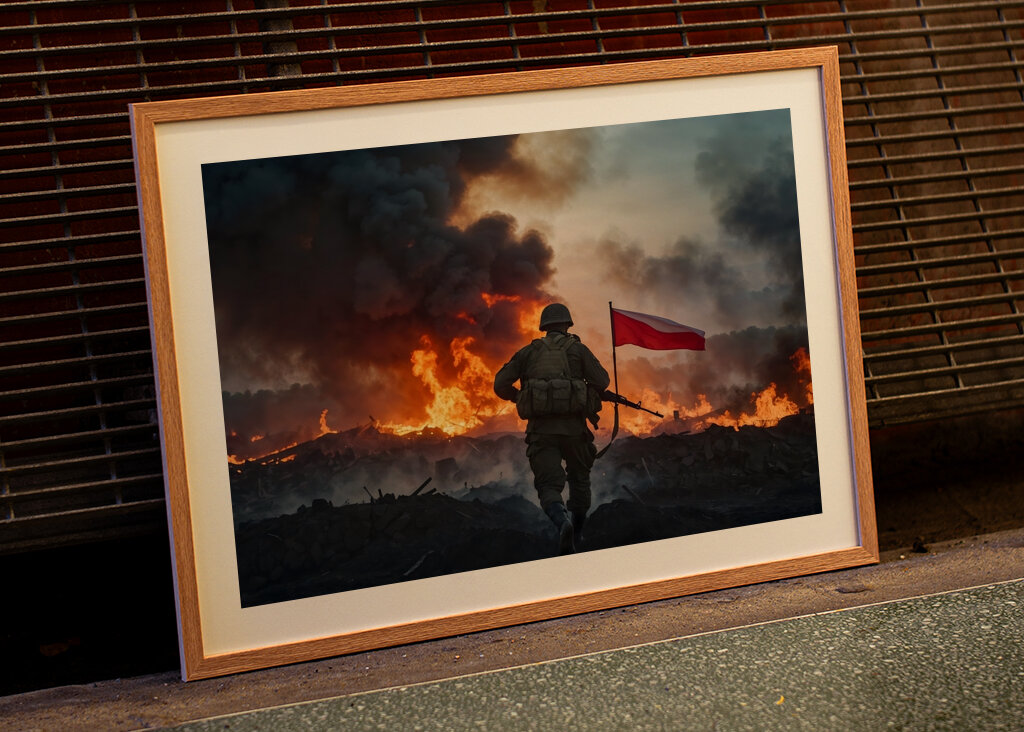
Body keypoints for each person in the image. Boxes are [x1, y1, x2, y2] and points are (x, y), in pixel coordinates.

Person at [493, 303, 610, 555]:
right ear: (567, 325)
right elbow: (602, 381)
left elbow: (500, 384)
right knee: (580, 479)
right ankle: (577, 534)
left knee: (548, 484)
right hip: (575, 431)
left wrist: (520, 397)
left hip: (541, 431)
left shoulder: (527, 353)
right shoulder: (578, 350)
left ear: (544, 327)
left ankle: (562, 523)